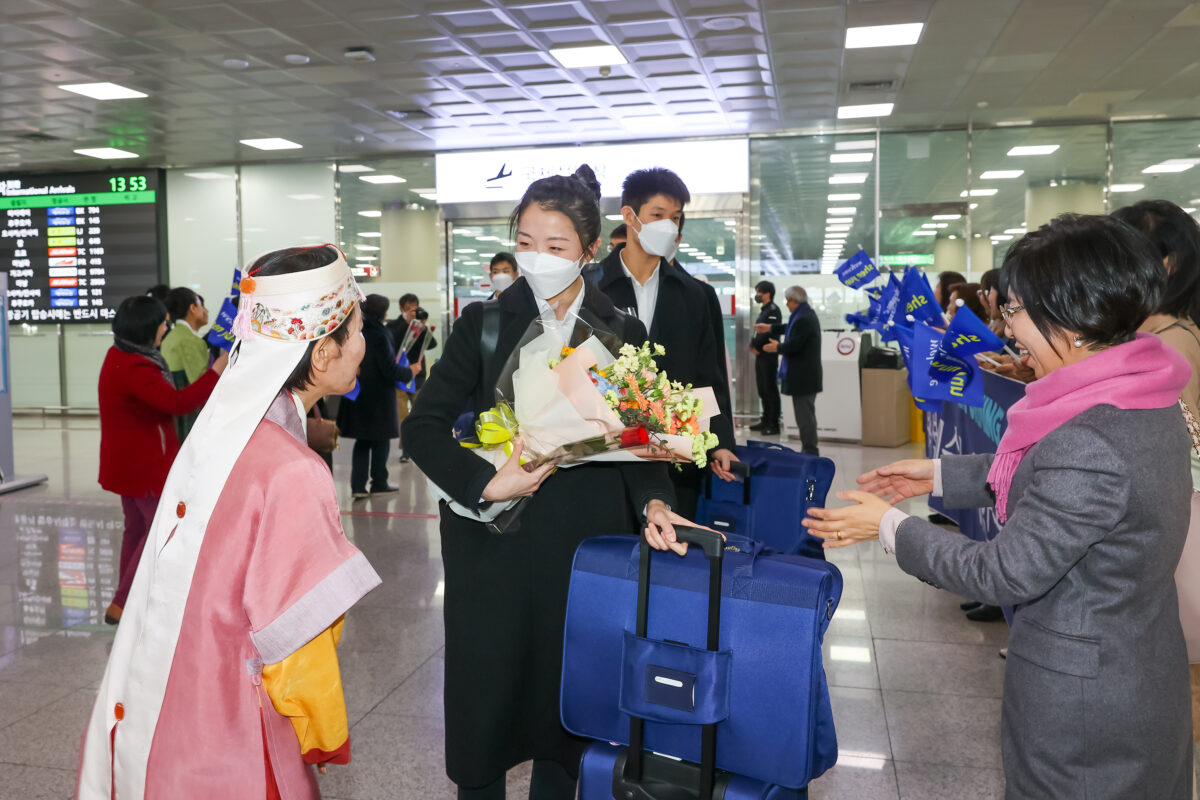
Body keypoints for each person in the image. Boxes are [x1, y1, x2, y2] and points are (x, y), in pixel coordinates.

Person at [804, 214, 1194, 798]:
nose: (1008, 328)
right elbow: (1059, 483)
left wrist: (888, 526)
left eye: (1016, 310)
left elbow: (1003, 571)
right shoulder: (1144, 391)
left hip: (1084, 709)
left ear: (1070, 314)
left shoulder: (1090, 436)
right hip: (1138, 667)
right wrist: (938, 474)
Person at [402, 164, 690, 800]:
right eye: (525, 242)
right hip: (493, 548)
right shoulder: (483, 323)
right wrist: (486, 482)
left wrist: (656, 503)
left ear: (590, 250)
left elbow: (643, 441)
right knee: (485, 710)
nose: (537, 258)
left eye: (555, 245)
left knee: (568, 714)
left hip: (584, 547)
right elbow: (421, 427)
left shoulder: (623, 331)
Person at [80, 244, 382, 797]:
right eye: (357, 329)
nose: (363, 343)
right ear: (322, 354)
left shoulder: (221, 430)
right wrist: (321, 735)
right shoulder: (294, 470)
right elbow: (299, 646)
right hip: (237, 732)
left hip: (171, 711)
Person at [1114, 199, 1200, 791]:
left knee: (1175, 677)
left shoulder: (1167, 341)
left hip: (1176, 521)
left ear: (1163, 263)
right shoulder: (1169, 330)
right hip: (1174, 512)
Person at [596, 166, 738, 517]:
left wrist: (721, 441)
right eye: (657, 215)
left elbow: (709, 373)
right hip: (605, 455)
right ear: (629, 216)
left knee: (672, 538)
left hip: (676, 451)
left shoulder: (695, 295)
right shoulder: (591, 287)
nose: (668, 226)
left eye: (675, 218)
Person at [97, 295, 227, 626]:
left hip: (126, 462)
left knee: (136, 529)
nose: (166, 328)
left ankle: (127, 599)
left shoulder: (119, 355)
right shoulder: (137, 367)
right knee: (159, 529)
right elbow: (178, 402)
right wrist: (217, 370)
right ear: (148, 329)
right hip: (143, 465)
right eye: (162, 324)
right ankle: (122, 601)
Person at [337, 293, 419, 499]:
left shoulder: (355, 331)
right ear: (383, 312)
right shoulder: (380, 334)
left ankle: (357, 487)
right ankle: (379, 483)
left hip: (357, 394)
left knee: (362, 441)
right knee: (381, 440)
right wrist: (410, 372)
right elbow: (389, 369)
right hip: (379, 398)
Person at [762, 286, 822, 455]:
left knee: (805, 418)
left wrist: (777, 347)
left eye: (788, 301)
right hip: (805, 377)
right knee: (804, 416)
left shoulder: (804, 318)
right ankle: (808, 449)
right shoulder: (803, 315)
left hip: (804, 378)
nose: (787, 304)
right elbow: (789, 328)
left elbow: (795, 344)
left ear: (794, 301)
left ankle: (810, 451)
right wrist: (770, 328)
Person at [749, 280, 783, 434]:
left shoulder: (773, 311)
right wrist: (752, 345)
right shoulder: (764, 311)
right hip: (760, 355)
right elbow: (757, 332)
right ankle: (765, 419)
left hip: (768, 355)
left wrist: (757, 347)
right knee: (762, 389)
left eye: (759, 292)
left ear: (767, 293)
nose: (757, 295)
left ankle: (773, 423)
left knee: (770, 389)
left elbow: (769, 334)